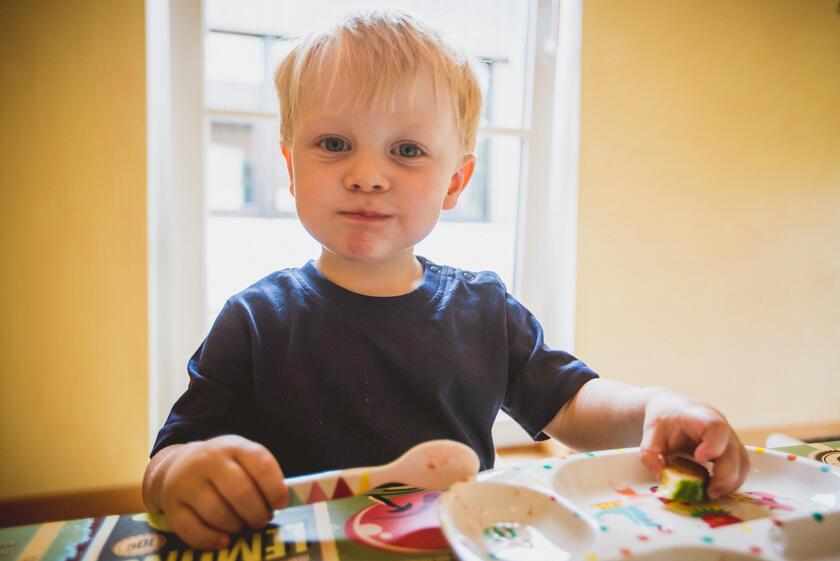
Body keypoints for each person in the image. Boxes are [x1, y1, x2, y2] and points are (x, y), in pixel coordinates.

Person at [142, 10, 749, 550]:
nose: (367, 174)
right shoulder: (254, 320)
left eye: (406, 150)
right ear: (290, 166)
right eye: (334, 143)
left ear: (455, 182)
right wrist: (182, 475)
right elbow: (166, 463)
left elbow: (572, 403)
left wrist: (656, 408)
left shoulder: (483, 309)